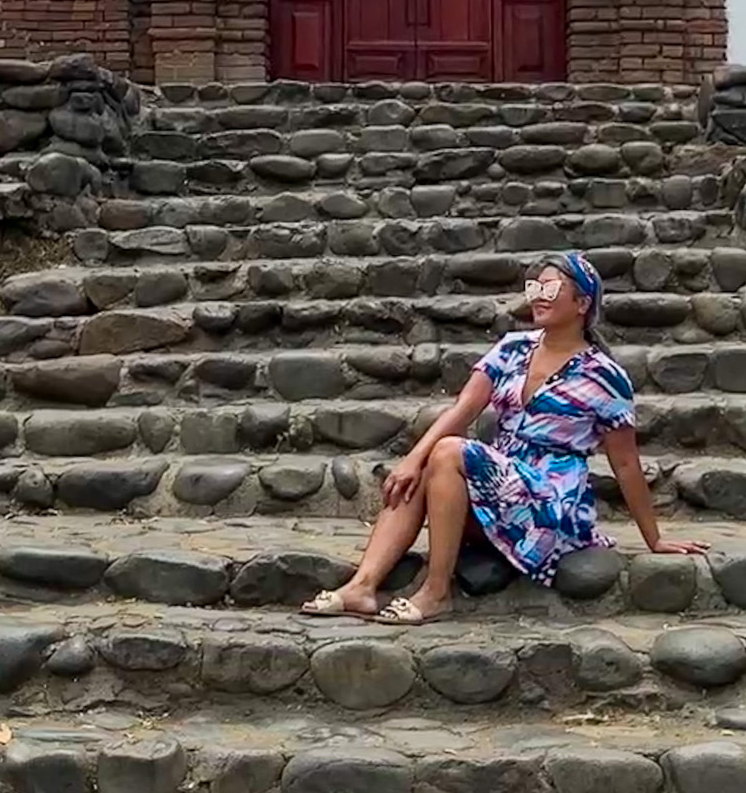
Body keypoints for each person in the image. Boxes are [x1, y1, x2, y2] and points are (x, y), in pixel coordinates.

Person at [301, 250, 707, 625]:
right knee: (423, 464)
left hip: (551, 506)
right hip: (503, 487)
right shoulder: (512, 348)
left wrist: (654, 539)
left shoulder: (605, 377)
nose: (538, 297)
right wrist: (411, 459)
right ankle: (362, 587)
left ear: (582, 304)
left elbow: (624, 463)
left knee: (446, 451)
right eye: (534, 288)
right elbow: (462, 411)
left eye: (550, 289)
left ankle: (437, 591)